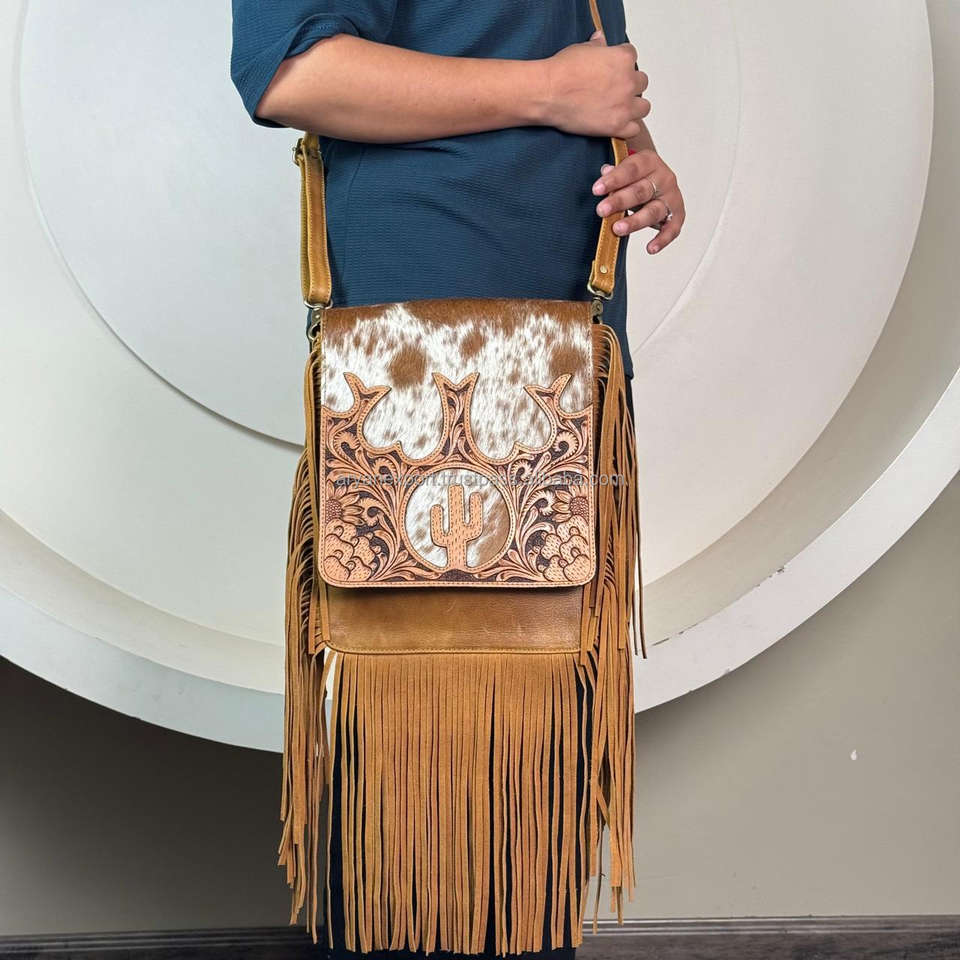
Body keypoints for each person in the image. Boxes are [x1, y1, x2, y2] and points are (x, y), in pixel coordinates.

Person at [230, 2, 685, 958]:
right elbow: (292, 71)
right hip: (434, 374)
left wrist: (631, 148)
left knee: (537, 796)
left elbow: (556, 53)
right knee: (423, 813)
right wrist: (553, 91)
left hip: (561, 362)